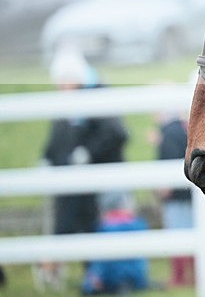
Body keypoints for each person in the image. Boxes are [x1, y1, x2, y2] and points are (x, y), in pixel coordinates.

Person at [39, 45, 129, 290]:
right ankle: (87, 277)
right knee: (72, 225)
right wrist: (48, 157)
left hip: (103, 179)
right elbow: (59, 136)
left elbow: (116, 133)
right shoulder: (70, 100)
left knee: (100, 229)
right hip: (75, 183)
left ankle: (105, 278)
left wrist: (88, 152)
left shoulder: (97, 94)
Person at [154, 110, 195, 287]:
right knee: (191, 233)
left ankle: (179, 278)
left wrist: (165, 185)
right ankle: (194, 276)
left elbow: (169, 157)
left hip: (176, 195)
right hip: (188, 191)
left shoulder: (168, 132)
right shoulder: (183, 128)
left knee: (177, 235)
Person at [81, 192, 150, 295]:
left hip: (109, 280)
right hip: (134, 278)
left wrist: (90, 283)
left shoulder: (103, 228)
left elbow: (99, 263)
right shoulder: (138, 225)